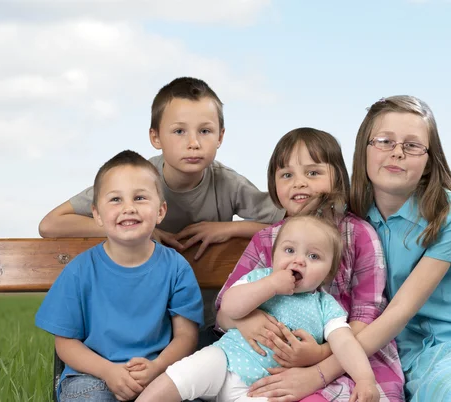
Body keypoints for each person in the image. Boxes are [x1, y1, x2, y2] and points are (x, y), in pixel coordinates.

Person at [37, 77, 285, 341]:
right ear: (155, 137)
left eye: (205, 131)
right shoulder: (135, 179)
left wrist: (230, 228)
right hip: (145, 326)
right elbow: (51, 224)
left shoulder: (228, 182)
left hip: (207, 322)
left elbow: (293, 223)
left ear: (220, 136)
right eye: (179, 131)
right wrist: (144, 231)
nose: (194, 143)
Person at [347, 96, 451, 401]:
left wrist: (321, 368)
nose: (397, 152)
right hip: (392, 354)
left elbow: (400, 310)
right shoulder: (350, 217)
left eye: (412, 145)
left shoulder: (449, 213)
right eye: (385, 141)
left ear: (428, 159)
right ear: (364, 150)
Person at [215, 128, 405, 402]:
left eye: (313, 173)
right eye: (287, 175)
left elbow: (367, 318)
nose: (299, 183)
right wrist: (246, 321)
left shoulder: (359, 235)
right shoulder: (266, 240)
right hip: (270, 362)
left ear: (337, 177)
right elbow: (224, 310)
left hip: (352, 358)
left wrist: (320, 355)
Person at [137, 214, 380, 402]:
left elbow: (346, 344)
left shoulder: (326, 307)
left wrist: (365, 379)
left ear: (329, 273)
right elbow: (230, 307)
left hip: (262, 386)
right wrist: (271, 285)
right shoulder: (260, 278)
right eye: (289, 250)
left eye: (314, 256)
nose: (298, 260)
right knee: (182, 375)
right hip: (225, 360)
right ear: (273, 256)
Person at [35, 150, 204, 402]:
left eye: (139, 198)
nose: (128, 208)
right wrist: (109, 372)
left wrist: (156, 368)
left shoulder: (176, 268)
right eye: (115, 199)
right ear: (97, 214)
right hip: (93, 375)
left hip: (159, 372)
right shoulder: (79, 270)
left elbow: (186, 337)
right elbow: (66, 344)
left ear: (160, 211)